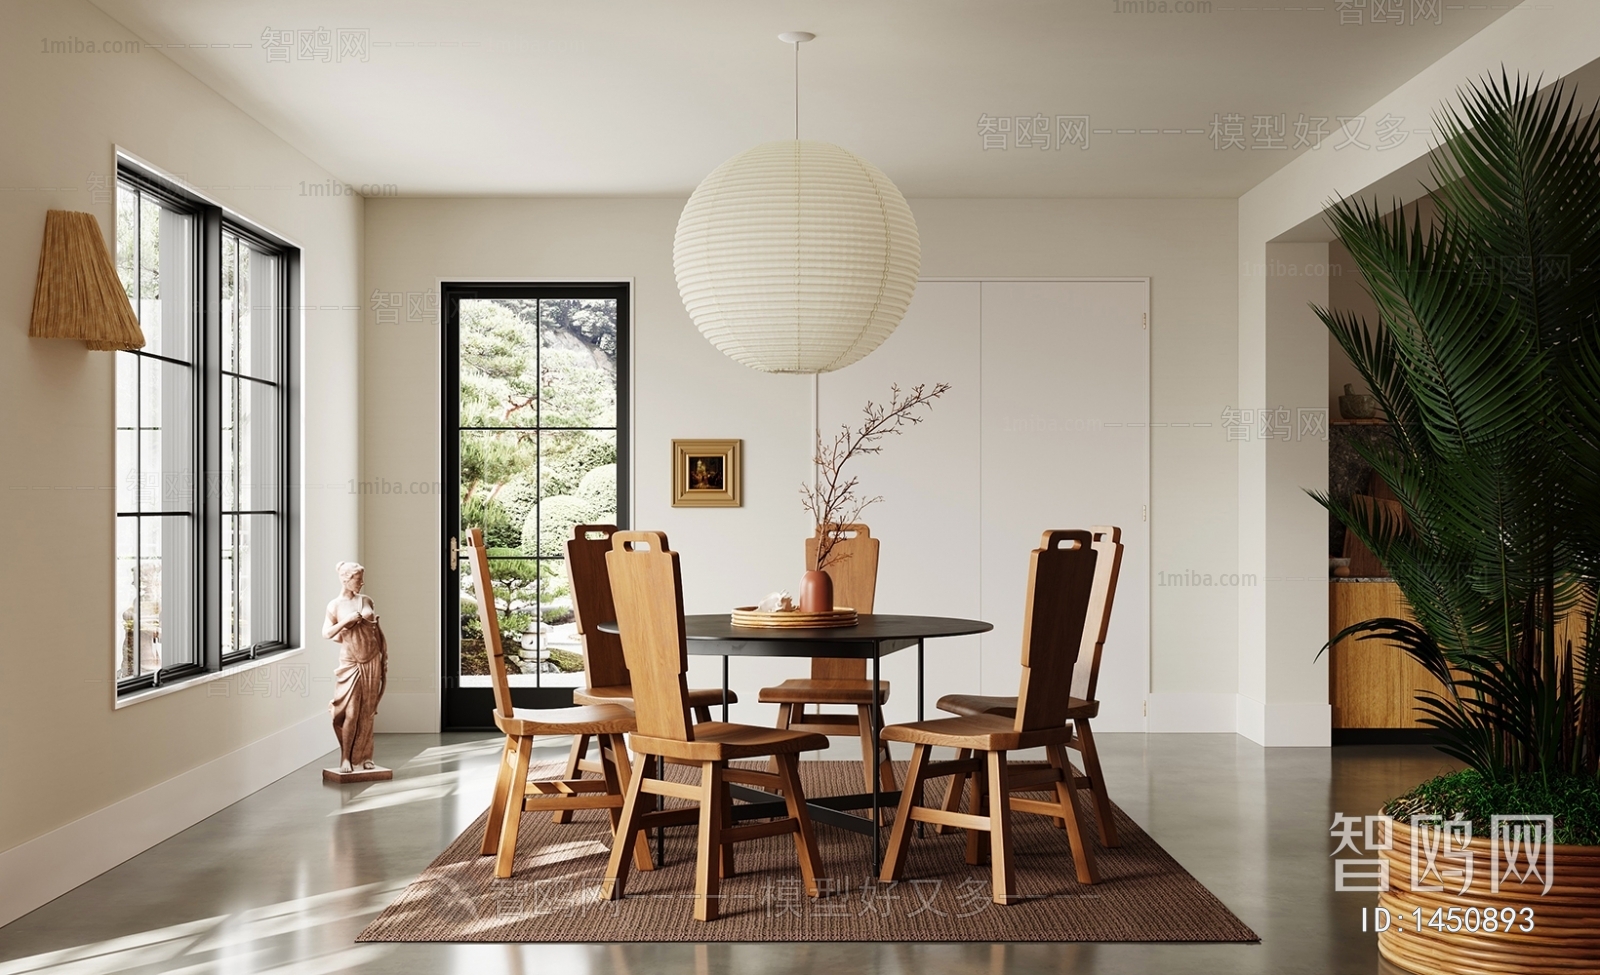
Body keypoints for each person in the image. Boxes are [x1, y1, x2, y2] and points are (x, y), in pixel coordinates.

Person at [323, 561, 388, 773]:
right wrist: (346, 622)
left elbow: (376, 630)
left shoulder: (366, 600)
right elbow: (327, 633)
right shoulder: (335, 605)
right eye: (358, 579)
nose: (362, 583)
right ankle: (346, 758)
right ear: (346, 579)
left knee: (368, 711)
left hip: (372, 659)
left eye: (361, 579)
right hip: (350, 662)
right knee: (350, 712)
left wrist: (384, 654)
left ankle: (366, 756)